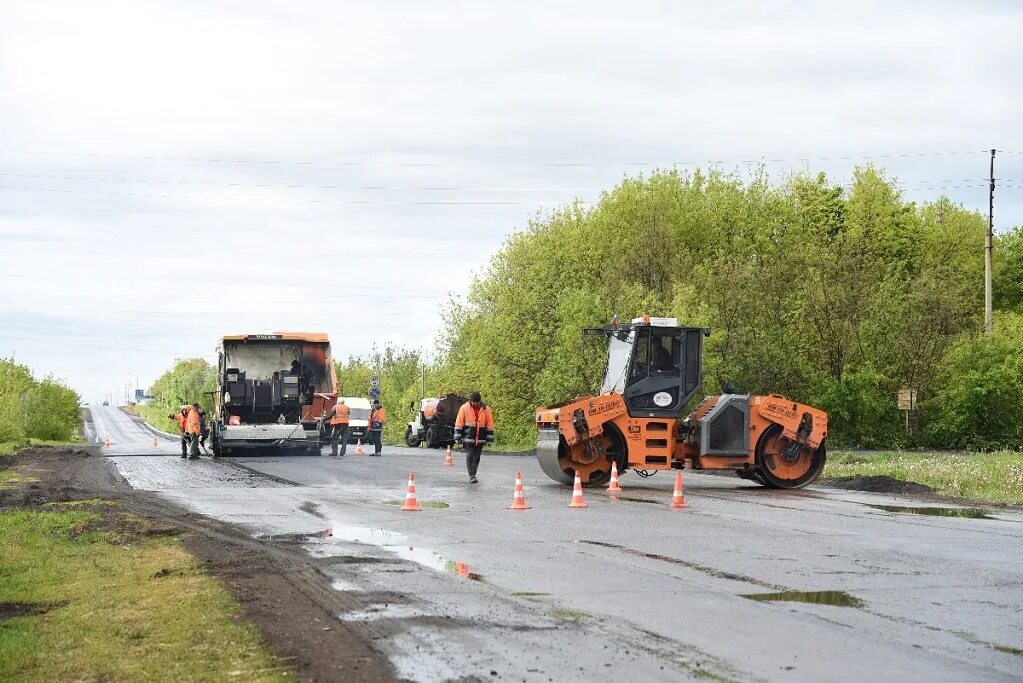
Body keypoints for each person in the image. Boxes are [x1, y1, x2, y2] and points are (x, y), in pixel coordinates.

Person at [454, 392, 494, 484]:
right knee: (469, 456)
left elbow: (489, 424)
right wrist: (457, 437)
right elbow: (459, 422)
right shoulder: (464, 408)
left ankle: (474, 474)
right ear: (470, 401)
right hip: (468, 438)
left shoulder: (486, 409)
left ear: (480, 401)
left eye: (477, 402)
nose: (476, 404)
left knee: (477, 457)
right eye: (474, 402)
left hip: (480, 438)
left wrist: (490, 439)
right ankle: (471, 476)